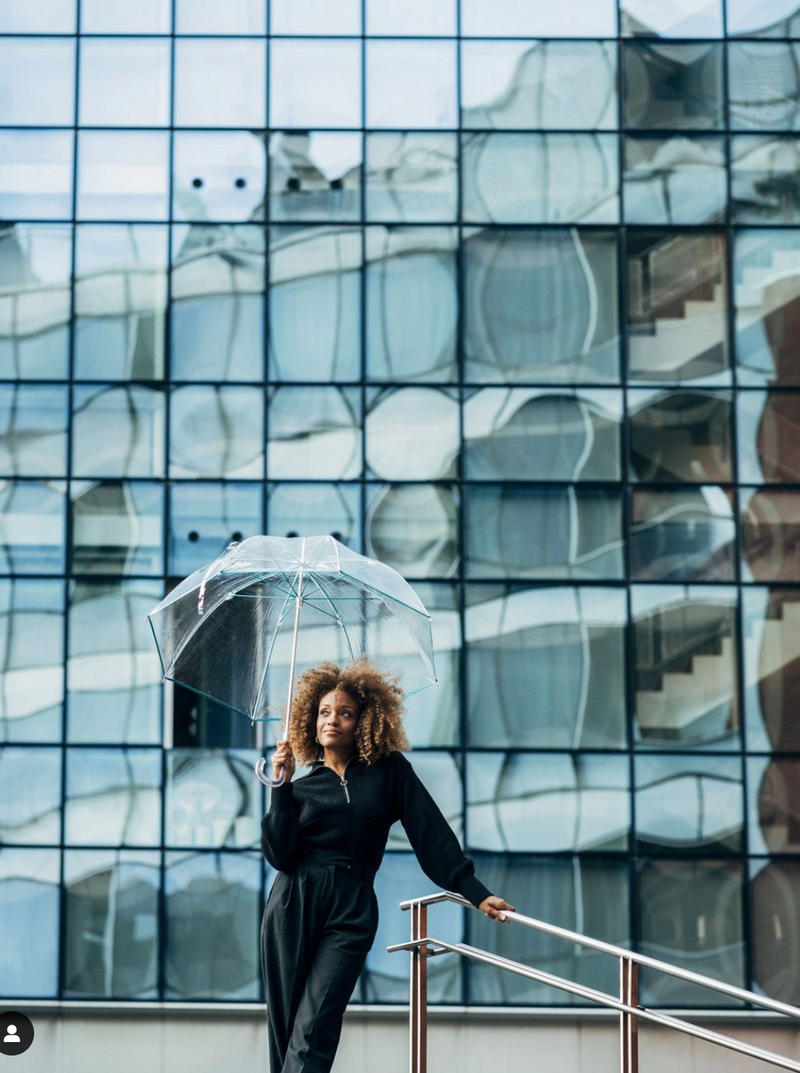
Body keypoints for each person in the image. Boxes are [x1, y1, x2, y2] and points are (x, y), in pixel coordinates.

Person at [260, 658, 514, 1073]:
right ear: (310, 720)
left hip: (352, 905)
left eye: (345, 712)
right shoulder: (300, 787)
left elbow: (430, 834)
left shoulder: (389, 773)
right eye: (324, 712)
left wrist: (475, 892)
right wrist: (280, 788)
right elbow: (280, 855)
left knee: (316, 1025)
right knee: (286, 1027)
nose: (333, 720)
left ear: (364, 720)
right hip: (294, 901)